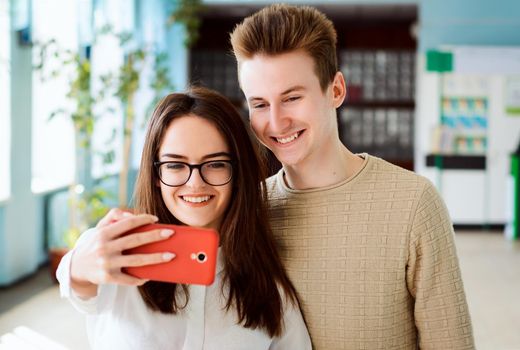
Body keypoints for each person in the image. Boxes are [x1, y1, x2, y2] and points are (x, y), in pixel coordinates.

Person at [229, 4, 475, 349]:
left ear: (336, 90)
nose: (277, 121)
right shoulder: (248, 210)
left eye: (292, 98)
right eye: (259, 104)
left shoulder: (413, 203)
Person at [56, 87, 311, 349]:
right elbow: (76, 281)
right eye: (176, 165)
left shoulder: (270, 289)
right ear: (156, 175)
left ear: (238, 173)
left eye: (215, 164)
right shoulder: (119, 254)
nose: (195, 183)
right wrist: (80, 266)